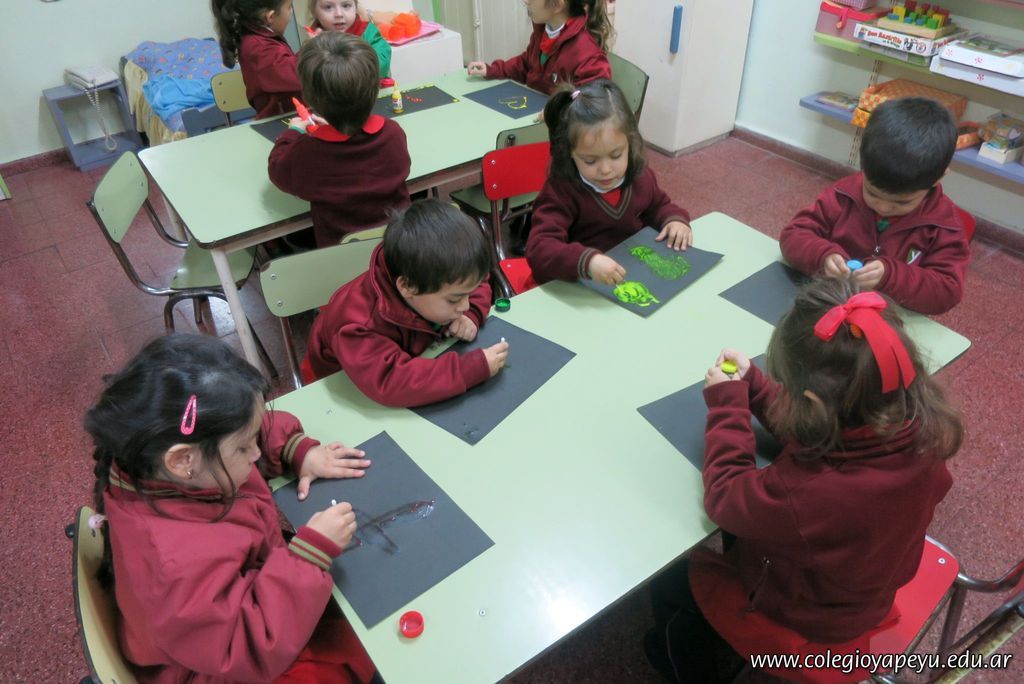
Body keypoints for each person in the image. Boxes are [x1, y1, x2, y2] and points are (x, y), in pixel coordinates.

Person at [646, 279, 962, 682]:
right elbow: (821, 429)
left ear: (814, 405)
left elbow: (725, 498)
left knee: (668, 587)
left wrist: (728, 405)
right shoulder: (920, 426)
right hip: (867, 590)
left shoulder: (809, 493)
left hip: (809, 615)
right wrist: (756, 387)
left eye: (790, 391)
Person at [86, 333, 377, 683]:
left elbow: (253, 425)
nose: (256, 452)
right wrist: (309, 556)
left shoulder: (163, 456)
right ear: (182, 461)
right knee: (365, 645)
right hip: (227, 662)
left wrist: (297, 449)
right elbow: (249, 645)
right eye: (244, 448)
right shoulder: (174, 565)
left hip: (246, 604)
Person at [305, 199, 509, 406]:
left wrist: (472, 315)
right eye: (454, 299)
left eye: (468, 295)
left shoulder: (434, 278)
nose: (465, 306)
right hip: (346, 390)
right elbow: (392, 381)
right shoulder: (358, 325)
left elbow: (478, 281)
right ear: (407, 287)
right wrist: (470, 369)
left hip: (414, 354)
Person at [780, 97, 971, 315]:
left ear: (938, 178)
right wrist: (822, 256)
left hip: (888, 317)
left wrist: (890, 276)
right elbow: (793, 235)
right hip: (828, 304)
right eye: (872, 193)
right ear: (863, 168)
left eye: (901, 202)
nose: (883, 207)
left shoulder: (944, 227)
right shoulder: (843, 194)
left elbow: (947, 291)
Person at [525, 79, 691, 284]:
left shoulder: (639, 177)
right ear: (570, 154)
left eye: (616, 155)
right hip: (579, 284)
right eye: (590, 160)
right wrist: (587, 262)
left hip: (629, 277)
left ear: (630, 143)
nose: (605, 170)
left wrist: (674, 220)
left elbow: (658, 206)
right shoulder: (561, 192)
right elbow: (540, 248)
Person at [269, 31, 411, 247]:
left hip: (341, 257)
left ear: (308, 97)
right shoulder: (393, 133)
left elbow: (277, 171)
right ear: (375, 90)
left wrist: (293, 132)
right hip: (398, 248)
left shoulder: (308, 152)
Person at [466, 0, 613, 95]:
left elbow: (594, 102)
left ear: (557, 5)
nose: (525, 1)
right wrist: (493, 70)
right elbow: (526, 64)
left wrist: (557, 110)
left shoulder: (587, 54)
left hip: (560, 128)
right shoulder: (544, 30)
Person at [211, 0, 302, 119]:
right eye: (289, 7)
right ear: (270, 16)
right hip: (279, 121)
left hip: (289, 115)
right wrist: (314, 49)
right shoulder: (259, 47)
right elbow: (297, 75)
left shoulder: (260, 38)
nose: (291, 11)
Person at [307, 0, 392, 78]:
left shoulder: (367, 31)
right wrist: (316, 51)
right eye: (328, 7)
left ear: (355, 7)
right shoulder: (314, 38)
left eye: (346, 6)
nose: (339, 14)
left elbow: (381, 63)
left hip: (369, 87)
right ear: (315, 12)